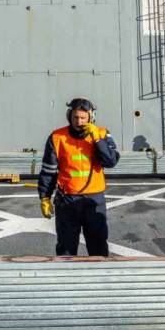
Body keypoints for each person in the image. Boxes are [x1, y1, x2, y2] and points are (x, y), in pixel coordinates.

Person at [38, 98, 120, 256]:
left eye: (83, 118)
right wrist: (44, 196)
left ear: (91, 117)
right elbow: (48, 171)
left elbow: (110, 161)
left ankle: (100, 279)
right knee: (66, 249)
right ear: (69, 116)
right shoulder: (57, 137)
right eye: (75, 117)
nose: (79, 121)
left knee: (98, 247)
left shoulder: (102, 133)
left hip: (94, 200)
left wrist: (97, 140)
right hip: (67, 201)